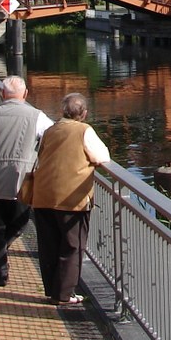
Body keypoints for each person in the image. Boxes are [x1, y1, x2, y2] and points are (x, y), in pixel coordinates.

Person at [29, 92, 111, 305]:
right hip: (71, 198)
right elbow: (102, 157)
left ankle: (52, 289)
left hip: (44, 194)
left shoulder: (50, 130)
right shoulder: (84, 130)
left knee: (48, 244)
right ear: (84, 113)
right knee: (73, 245)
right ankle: (64, 294)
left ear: (62, 111)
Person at [0, 75, 54, 287]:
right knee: (19, 223)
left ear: (2, 93)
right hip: (21, 180)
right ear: (25, 94)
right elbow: (53, 136)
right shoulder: (37, 117)